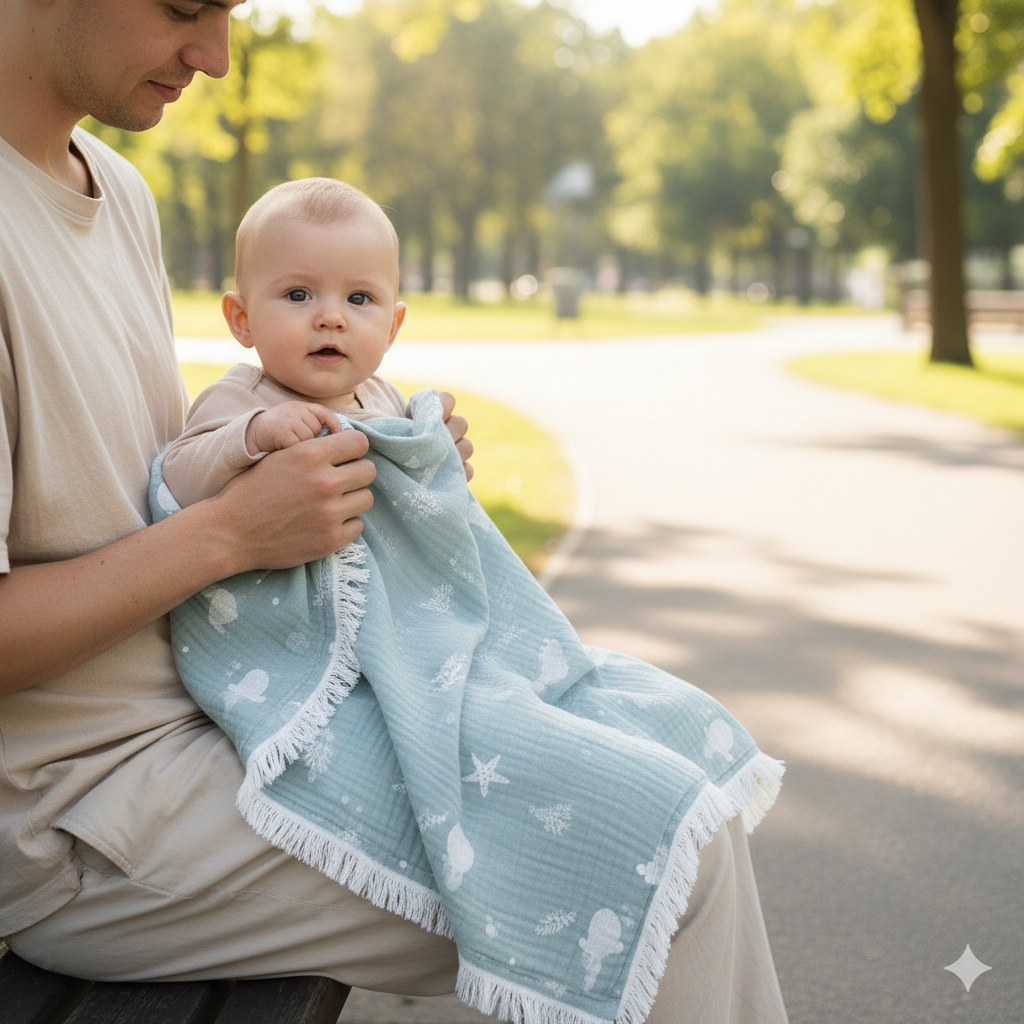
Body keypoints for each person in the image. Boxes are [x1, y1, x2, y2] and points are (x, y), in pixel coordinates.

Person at [0, 1, 788, 1020]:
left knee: (665, 756)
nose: (218, 56)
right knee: (667, 848)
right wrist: (234, 530)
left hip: (227, 716)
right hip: (82, 821)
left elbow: (147, 473)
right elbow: (201, 521)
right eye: (185, 6)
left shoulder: (121, 189)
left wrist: (369, 467)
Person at [161, 177, 412, 509]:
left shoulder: (388, 400)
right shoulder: (239, 398)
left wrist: (435, 446)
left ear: (392, 329)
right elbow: (177, 481)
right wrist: (252, 435)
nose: (332, 318)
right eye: (298, 295)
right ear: (242, 319)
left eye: (358, 297)